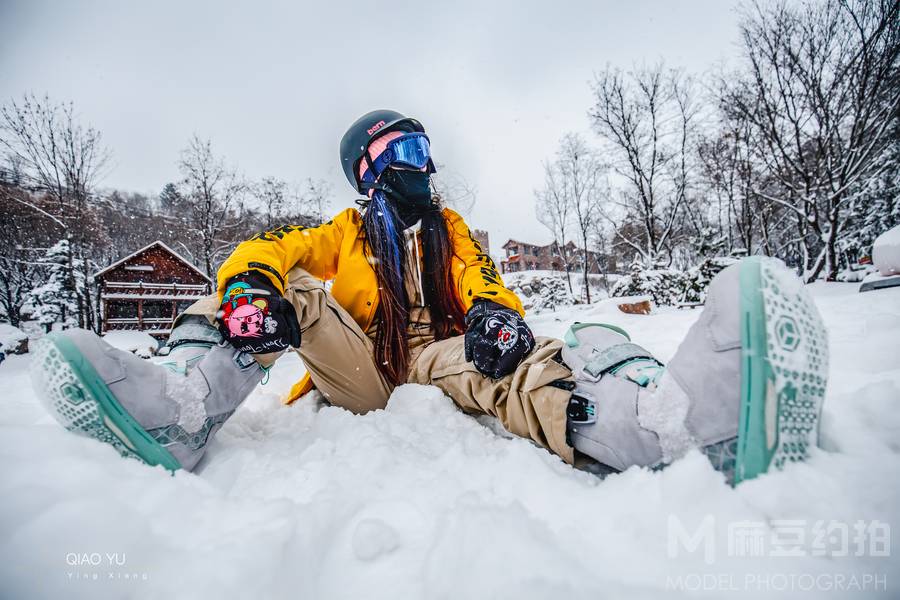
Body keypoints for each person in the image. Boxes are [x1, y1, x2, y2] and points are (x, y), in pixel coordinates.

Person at [31, 110, 829, 484]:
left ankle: (664, 426)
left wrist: (496, 319)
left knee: (526, 350)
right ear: (369, 172)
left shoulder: (452, 229)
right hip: (362, 369)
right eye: (402, 152)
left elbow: (487, 285)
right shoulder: (340, 231)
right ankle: (179, 408)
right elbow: (272, 251)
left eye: (424, 149)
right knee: (286, 289)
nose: (423, 165)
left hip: (434, 360)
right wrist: (250, 286)